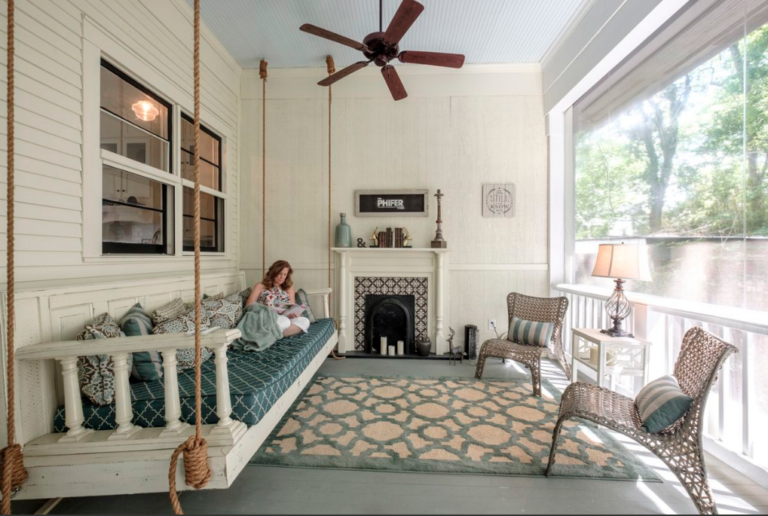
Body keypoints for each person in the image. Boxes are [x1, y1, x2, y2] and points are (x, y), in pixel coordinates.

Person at [245, 260, 310, 337]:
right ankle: (276, 333)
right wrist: (267, 309)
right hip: (267, 316)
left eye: (285, 274)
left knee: (305, 321)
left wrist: (295, 313)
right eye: (280, 274)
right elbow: (248, 306)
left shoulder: (289, 287)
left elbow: (291, 306)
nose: (282, 277)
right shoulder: (260, 286)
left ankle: (273, 335)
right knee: (285, 322)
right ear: (273, 273)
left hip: (284, 317)